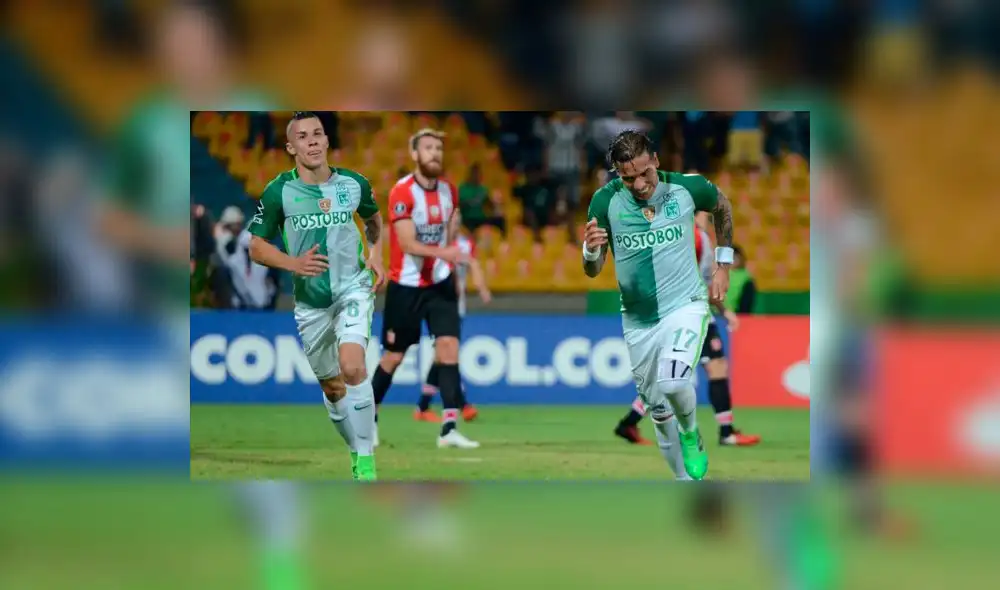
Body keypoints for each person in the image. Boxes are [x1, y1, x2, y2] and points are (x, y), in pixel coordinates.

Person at [583, 129, 737, 481]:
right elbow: (593, 270)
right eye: (628, 178)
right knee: (657, 412)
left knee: (672, 382)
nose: (638, 185)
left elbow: (723, 206)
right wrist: (590, 250)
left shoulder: (686, 187)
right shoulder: (604, 203)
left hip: (685, 305)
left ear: (655, 160)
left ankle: (691, 432)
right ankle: (686, 486)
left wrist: (723, 266)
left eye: (644, 173)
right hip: (638, 322)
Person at [248, 111, 385, 481]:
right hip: (311, 303)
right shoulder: (280, 191)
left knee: (353, 366)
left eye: (318, 134)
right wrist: (293, 263)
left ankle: (367, 462)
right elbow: (257, 247)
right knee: (332, 386)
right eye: (303, 136)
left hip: (353, 288)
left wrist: (375, 255)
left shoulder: (354, 184)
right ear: (291, 147)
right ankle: (356, 451)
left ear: (327, 141)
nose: (312, 141)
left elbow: (374, 221)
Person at [371, 128, 480, 449]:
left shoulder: (449, 191)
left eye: (439, 149)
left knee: (448, 349)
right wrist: (445, 253)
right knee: (394, 355)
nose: (435, 153)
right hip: (406, 287)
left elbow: (449, 230)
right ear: (415, 155)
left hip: (440, 284)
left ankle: (449, 429)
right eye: (428, 148)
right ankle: (368, 419)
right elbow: (405, 243)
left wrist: (452, 271)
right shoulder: (402, 192)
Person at [614, 214, 762, 447]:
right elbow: (701, 283)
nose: (708, 218)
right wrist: (725, 311)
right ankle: (726, 432)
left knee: (674, 376)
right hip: (691, 314)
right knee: (712, 369)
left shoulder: (679, 237)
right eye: (705, 212)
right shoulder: (694, 239)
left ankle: (629, 422)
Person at [415, 226, 492, 421]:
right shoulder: (433, 243)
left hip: (457, 306)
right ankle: (462, 403)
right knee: (447, 354)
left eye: (457, 216)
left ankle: (423, 406)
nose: (454, 220)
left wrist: (481, 287)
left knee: (443, 355)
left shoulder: (465, 244)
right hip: (438, 305)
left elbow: (473, 264)